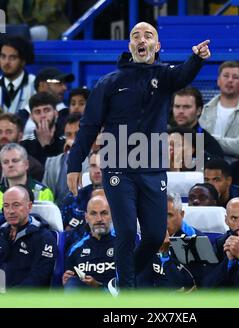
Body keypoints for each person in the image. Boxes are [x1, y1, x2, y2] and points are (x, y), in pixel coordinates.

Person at [67, 21, 211, 289]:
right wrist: (74, 163)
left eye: (148, 35)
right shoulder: (109, 82)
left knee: (156, 235)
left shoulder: (166, 77)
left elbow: (183, 75)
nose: (141, 39)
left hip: (152, 167)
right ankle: (128, 294)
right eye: (135, 36)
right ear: (130, 45)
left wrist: (196, 59)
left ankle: (121, 282)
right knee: (125, 232)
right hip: (118, 167)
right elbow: (88, 127)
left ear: (157, 46)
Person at [136, 192, 209, 289]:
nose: (162, 221)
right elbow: (141, 280)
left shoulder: (196, 240)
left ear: (182, 214)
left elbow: (190, 285)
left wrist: (164, 254)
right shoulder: (147, 238)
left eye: (168, 215)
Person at [199, 61, 239, 162]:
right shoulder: (204, 110)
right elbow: (197, 143)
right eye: (226, 76)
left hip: (234, 169)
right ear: (218, 80)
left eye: (235, 77)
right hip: (204, 169)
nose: (230, 80)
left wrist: (207, 139)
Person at [0, 185, 57, 287]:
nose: (10, 211)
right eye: (6, 205)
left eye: (16, 205)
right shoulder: (1, 232)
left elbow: (39, 278)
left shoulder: (44, 237)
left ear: (29, 206)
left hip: (23, 299)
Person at [62, 195, 116, 290]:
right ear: (86, 218)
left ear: (112, 216)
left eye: (104, 213)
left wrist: (98, 287)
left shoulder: (124, 244)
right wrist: (66, 280)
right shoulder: (75, 250)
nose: (99, 219)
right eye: (93, 214)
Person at [43, 113, 88, 207]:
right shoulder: (51, 163)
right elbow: (47, 195)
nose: (73, 139)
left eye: (77, 134)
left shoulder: (94, 160)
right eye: (68, 135)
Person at [171, 87, 224, 159]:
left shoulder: (210, 145)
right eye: (177, 106)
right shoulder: (163, 138)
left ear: (199, 110)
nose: (180, 111)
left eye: (187, 107)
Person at [23, 67, 75, 139]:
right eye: (59, 83)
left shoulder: (68, 115)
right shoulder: (22, 116)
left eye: (64, 83)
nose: (64, 88)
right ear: (42, 85)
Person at [0, 143, 54, 211]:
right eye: (5, 162)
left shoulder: (43, 192)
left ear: (26, 164)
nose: (10, 165)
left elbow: (47, 220)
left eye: (15, 161)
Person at [21, 92, 65, 165]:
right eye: (37, 112)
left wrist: (46, 146)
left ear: (56, 113)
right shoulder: (25, 145)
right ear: (31, 117)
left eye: (47, 110)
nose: (43, 116)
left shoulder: (66, 140)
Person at [0, 113, 44, 180]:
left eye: (9, 132)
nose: (3, 136)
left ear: (20, 136)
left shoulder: (32, 167)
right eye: (0, 132)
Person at [0, 36, 35, 115]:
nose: (6, 62)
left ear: (23, 61)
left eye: (12, 58)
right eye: (3, 56)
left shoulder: (34, 84)